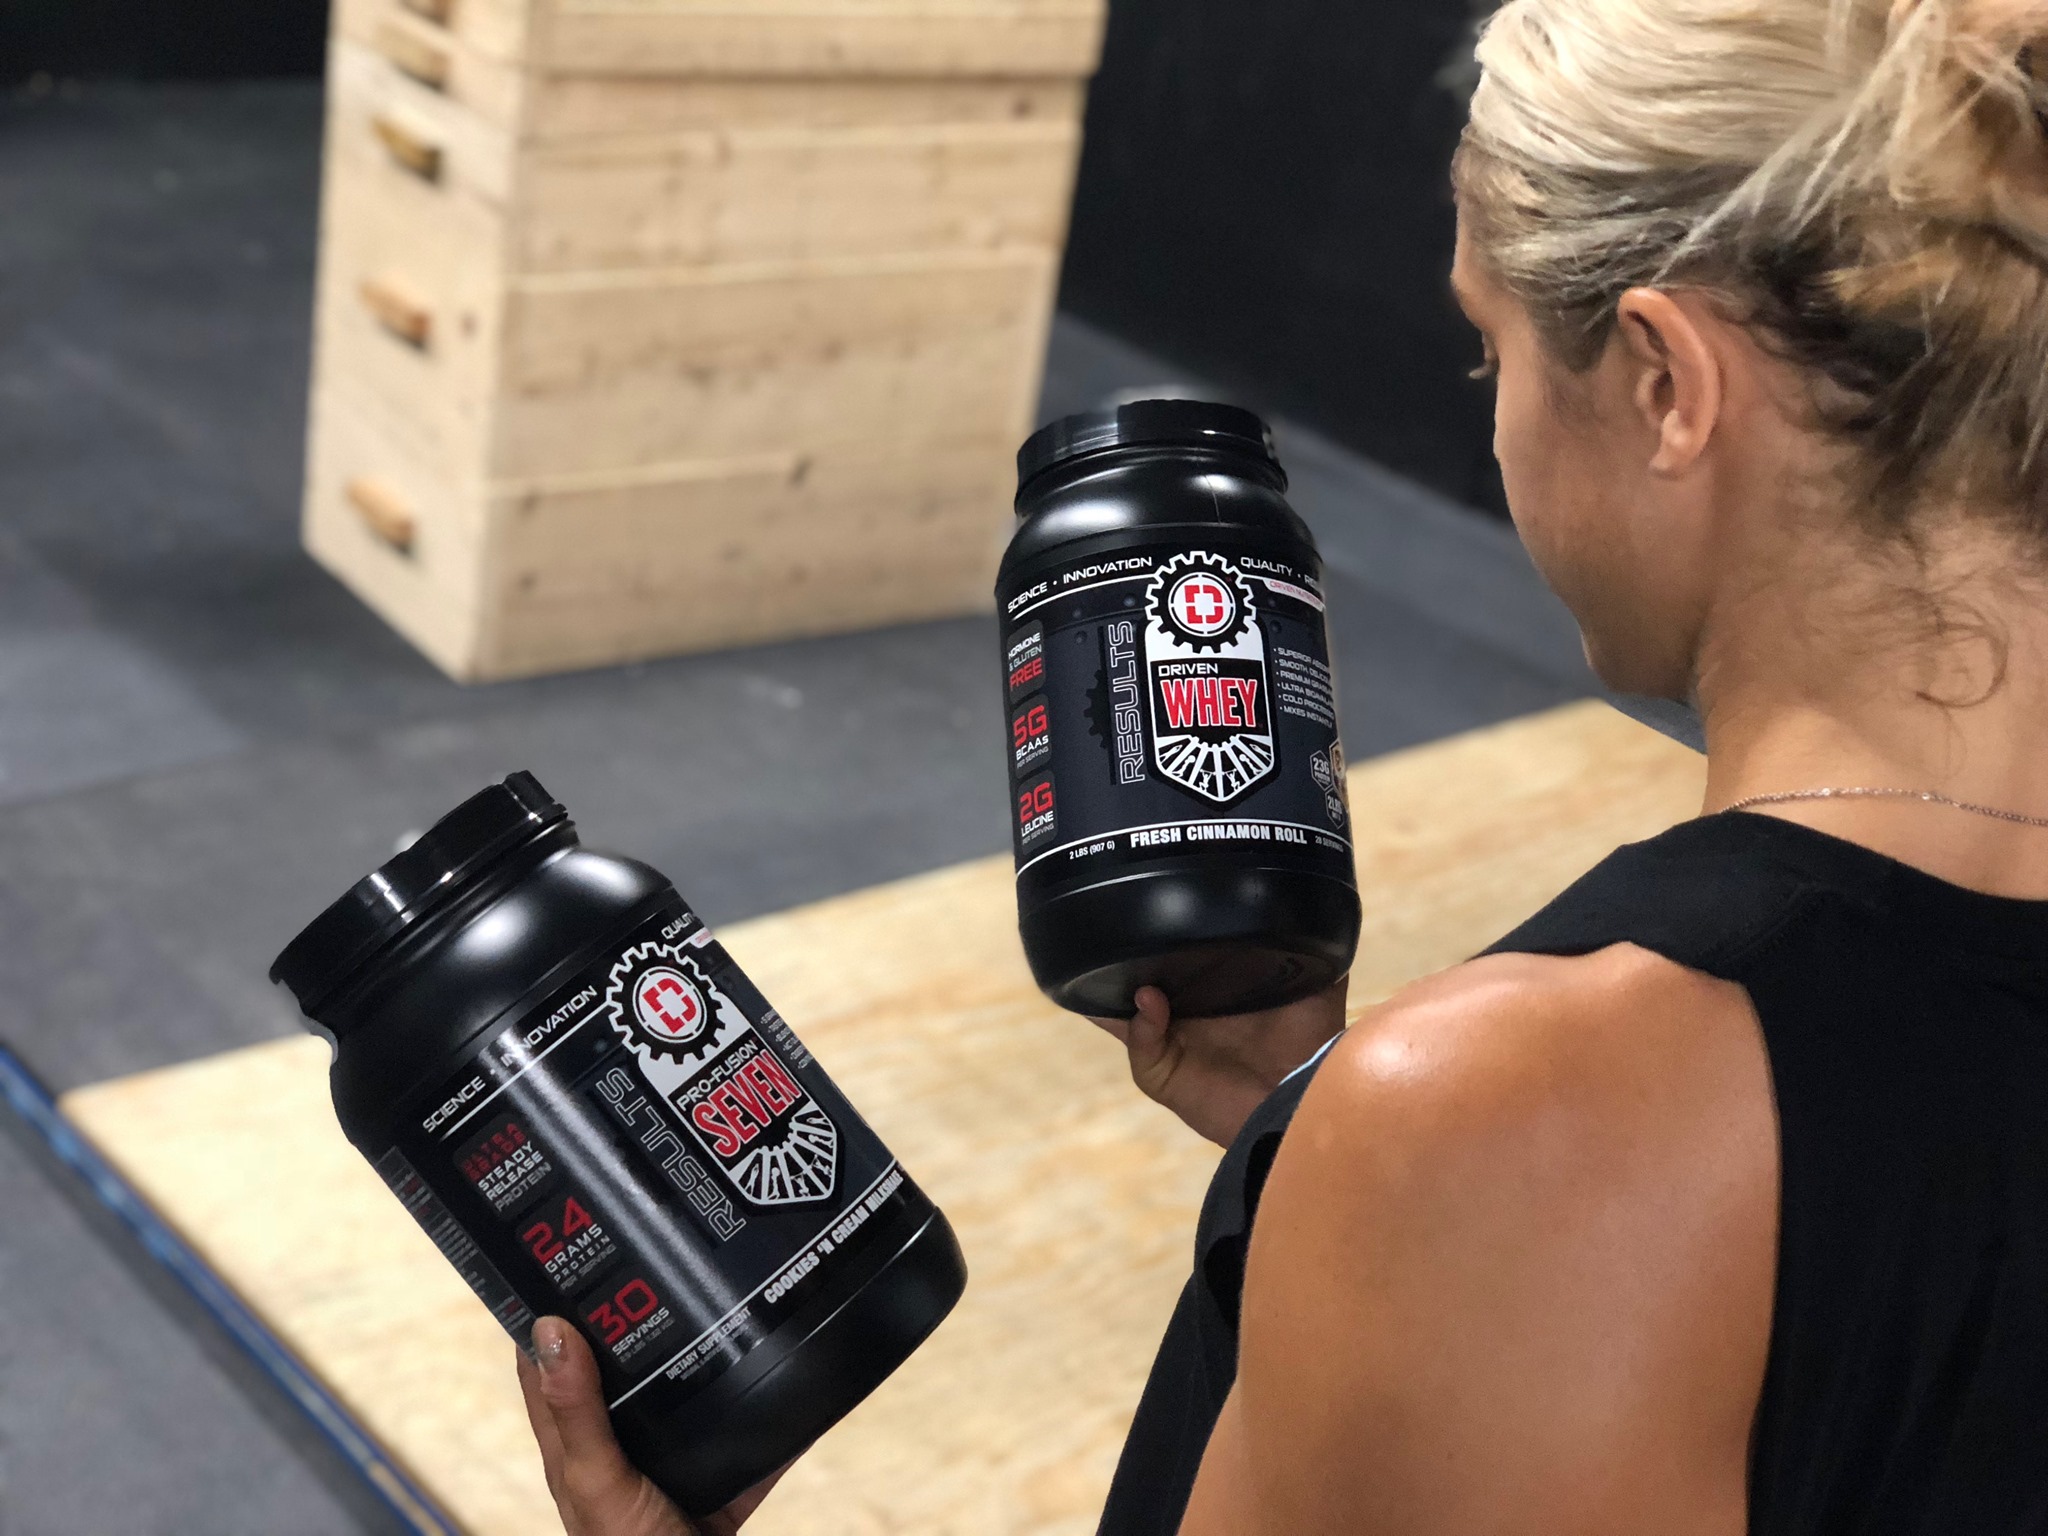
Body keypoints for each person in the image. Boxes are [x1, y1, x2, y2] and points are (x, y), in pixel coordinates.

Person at [516, 0, 2048, 1528]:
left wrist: (1414, 1156)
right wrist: (1320, 1138)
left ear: (1665, 384)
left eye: (1492, 352)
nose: (1499, 425)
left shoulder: (1520, 1129)